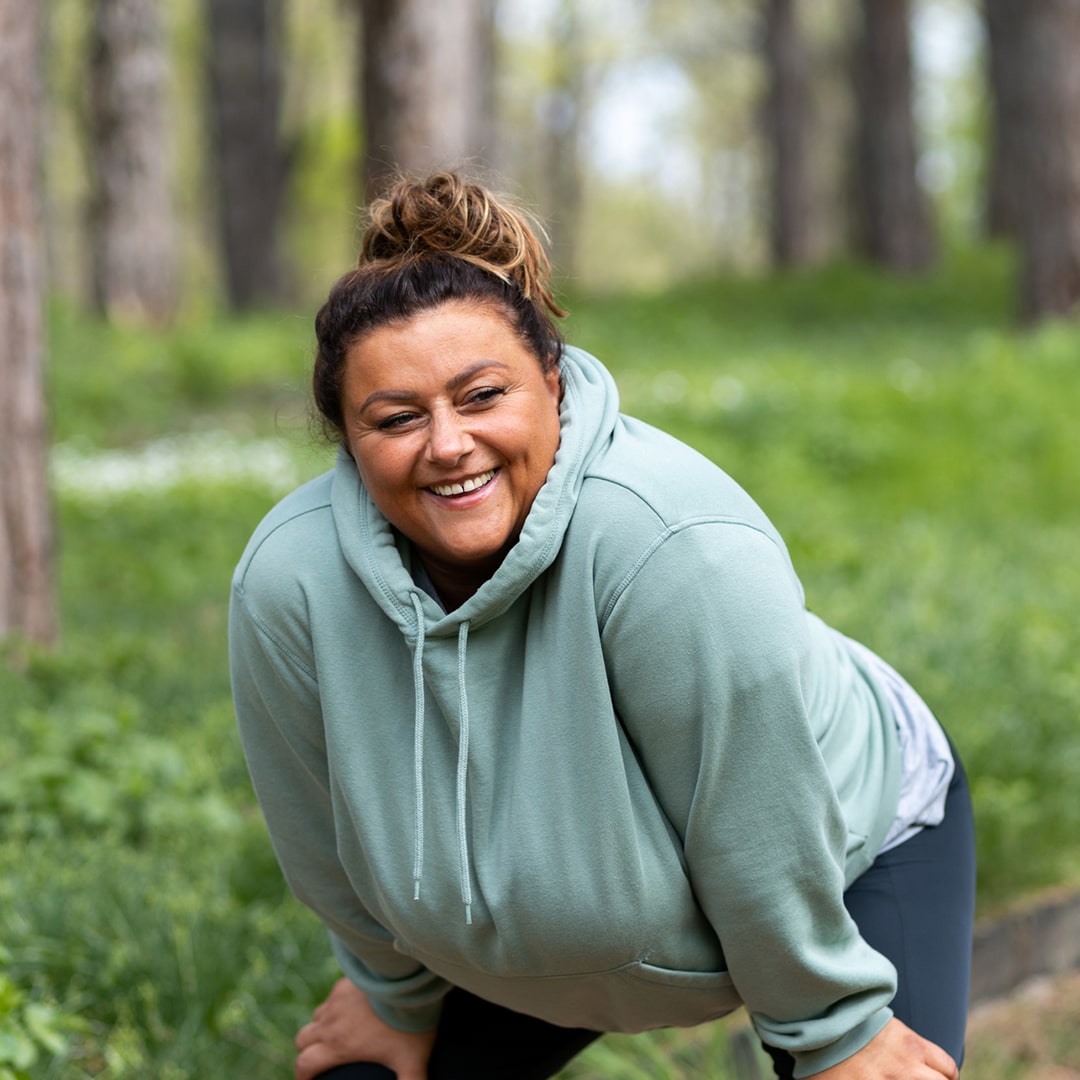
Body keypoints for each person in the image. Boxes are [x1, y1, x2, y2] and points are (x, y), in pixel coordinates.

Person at [229, 171, 976, 1080]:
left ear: (552, 383)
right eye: (396, 418)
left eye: (481, 396)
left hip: (850, 836)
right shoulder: (291, 584)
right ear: (347, 439)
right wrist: (392, 996)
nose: (447, 444)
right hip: (563, 937)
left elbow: (759, 833)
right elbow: (322, 838)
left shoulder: (675, 547)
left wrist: (833, 1032)